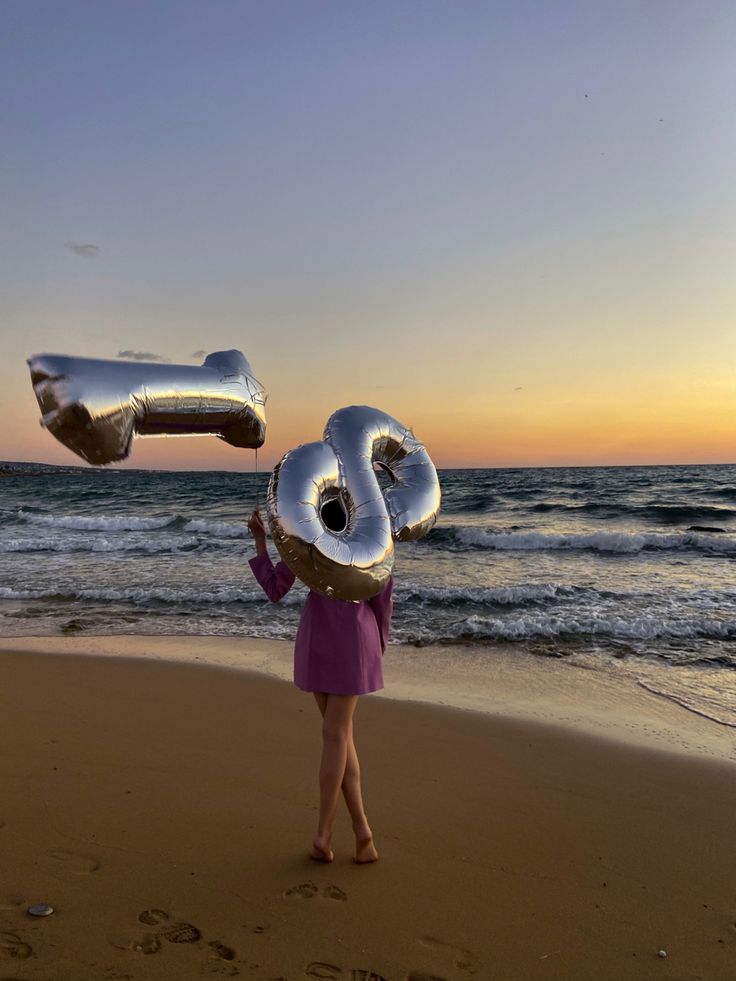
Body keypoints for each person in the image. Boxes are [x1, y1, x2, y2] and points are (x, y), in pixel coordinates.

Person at [247, 509, 393, 864]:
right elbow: (382, 597)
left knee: (336, 736)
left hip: (319, 639)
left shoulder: (308, 546)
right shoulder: (370, 545)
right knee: (340, 737)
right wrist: (378, 646)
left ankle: (330, 833)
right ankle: (360, 835)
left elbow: (275, 588)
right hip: (353, 640)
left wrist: (261, 542)